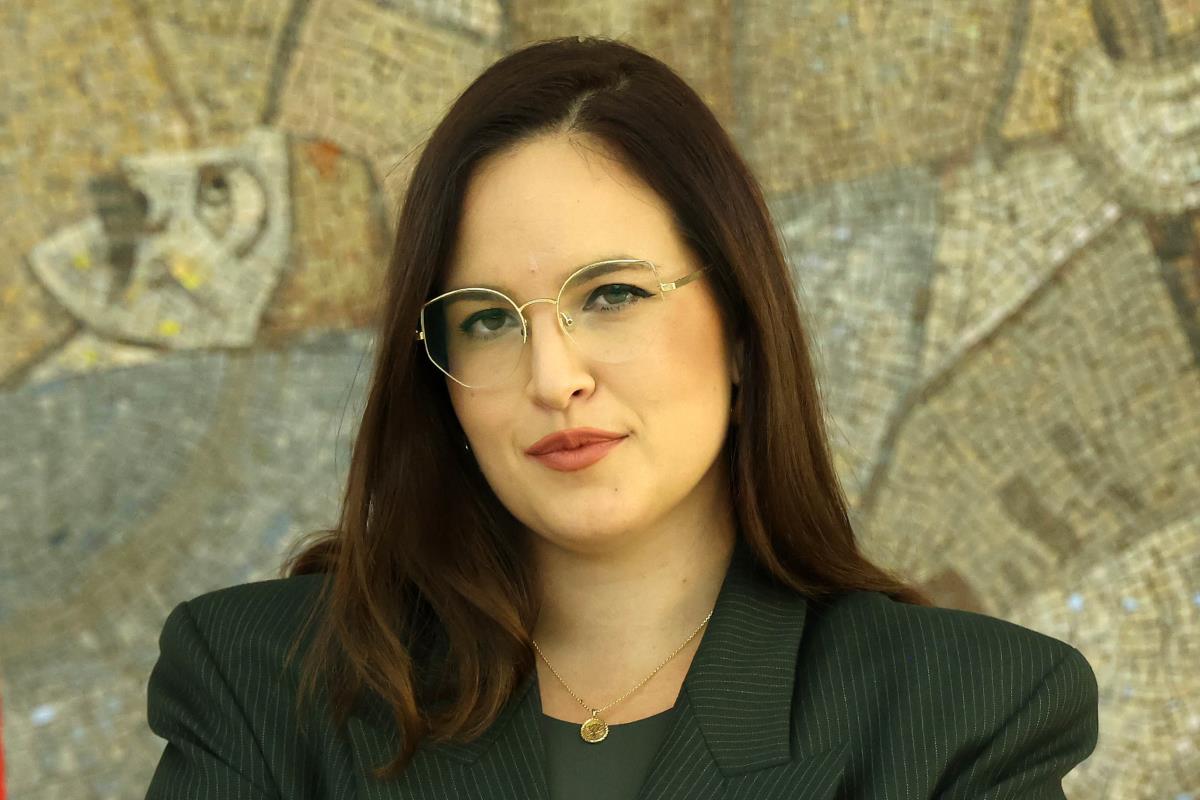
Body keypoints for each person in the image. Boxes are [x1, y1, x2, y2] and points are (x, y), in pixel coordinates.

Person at [144, 35, 1098, 799]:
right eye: (488, 320)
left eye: (611, 296)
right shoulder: (260, 682)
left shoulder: (963, 715)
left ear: (739, 328)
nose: (554, 377)